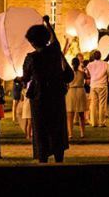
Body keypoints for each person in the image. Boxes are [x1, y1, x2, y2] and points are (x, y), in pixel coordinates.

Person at [22, 20, 73, 163]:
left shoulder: (32, 58)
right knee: (57, 128)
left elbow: (26, 78)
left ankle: (43, 159)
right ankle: (59, 158)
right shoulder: (55, 51)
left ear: (32, 42)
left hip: (40, 97)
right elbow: (54, 38)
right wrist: (47, 23)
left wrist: (19, 79)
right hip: (56, 95)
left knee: (41, 130)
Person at [66, 57, 88, 139]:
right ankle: (82, 133)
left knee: (70, 115)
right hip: (80, 91)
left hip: (71, 91)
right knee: (81, 114)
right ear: (78, 64)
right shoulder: (82, 73)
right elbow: (88, 77)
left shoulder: (69, 73)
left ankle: (70, 134)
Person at [87, 50, 109, 127]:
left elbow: (88, 74)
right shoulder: (105, 64)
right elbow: (108, 73)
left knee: (93, 104)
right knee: (102, 104)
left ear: (93, 56)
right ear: (100, 56)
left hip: (93, 85)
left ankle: (94, 123)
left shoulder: (90, 64)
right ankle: (102, 122)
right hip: (102, 85)